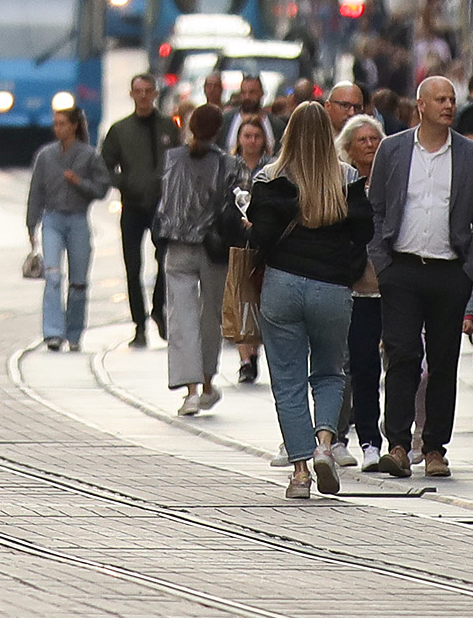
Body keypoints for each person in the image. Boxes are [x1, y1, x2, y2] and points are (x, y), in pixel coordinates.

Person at [239, 101, 368, 497]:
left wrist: (249, 223)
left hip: (283, 285)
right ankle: (326, 445)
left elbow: (258, 237)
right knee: (330, 372)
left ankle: (299, 472)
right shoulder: (345, 178)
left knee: (288, 379)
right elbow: (365, 230)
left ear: (289, 134)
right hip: (331, 287)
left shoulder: (269, 178)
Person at [367, 73, 473, 479]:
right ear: (420, 105)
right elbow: (376, 209)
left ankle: (436, 446)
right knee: (401, 355)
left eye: (451, 99)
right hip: (401, 269)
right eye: (439, 99)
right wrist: (381, 263)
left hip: (449, 271)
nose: (448, 105)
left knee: (444, 361)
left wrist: (470, 272)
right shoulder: (393, 149)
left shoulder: (472, 156)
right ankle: (398, 444)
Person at [153, 99, 237, 414]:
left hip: (176, 245)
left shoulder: (171, 159)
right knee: (209, 317)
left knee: (181, 317)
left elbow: (161, 198)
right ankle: (206, 383)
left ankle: (190, 391)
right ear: (218, 131)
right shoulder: (229, 165)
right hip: (212, 249)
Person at [25, 102, 106, 352]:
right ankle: (52, 332)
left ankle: (74, 331)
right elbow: (36, 191)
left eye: (62, 124)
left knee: (78, 281)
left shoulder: (89, 155)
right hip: (52, 220)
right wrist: (31, 223)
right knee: (52, 275)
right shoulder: (45, 156)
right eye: (55, 124)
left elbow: (102, 188)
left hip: (78, 220)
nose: (57, 128)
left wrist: (79, 182)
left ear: (73, 126)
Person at [99, 73, 170, 348]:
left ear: (154, 93)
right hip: (132, 204)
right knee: (132, 267)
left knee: (165, 260)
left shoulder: (167, 127)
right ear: (131, 95)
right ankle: (138, 324)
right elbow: (105, 165)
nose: (142, 96)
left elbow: (177, 161)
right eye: (137, 91)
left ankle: (158, 309)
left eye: (147, 91)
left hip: (161, 206)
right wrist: (123, 182)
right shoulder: (120, 131)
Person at [337, 114, 385, 467]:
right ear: (349, 148)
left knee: (384, 366)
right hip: (352, 287)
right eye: (363, 140)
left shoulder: (390, 182)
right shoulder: (342, 184)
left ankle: (378, 439)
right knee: (354, 365)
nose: (370, 145)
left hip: (388, 286)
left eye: (375, 139)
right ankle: (343, 436)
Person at [220, 106, 275, 389]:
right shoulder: (229, 166)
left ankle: (258, 350)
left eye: (256, 136)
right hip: (238, 240)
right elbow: (220, 202)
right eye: (247, 135)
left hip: (266, 242)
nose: (252, 141)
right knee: (241, 298)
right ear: (239, 139)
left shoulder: (272, 166)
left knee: (262, 300)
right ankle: (246, 358)